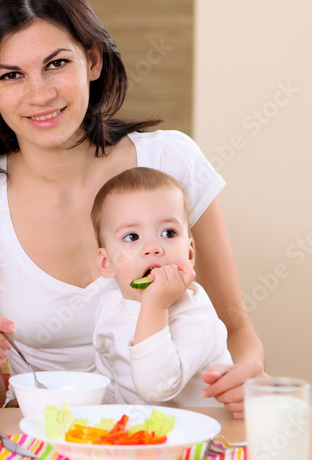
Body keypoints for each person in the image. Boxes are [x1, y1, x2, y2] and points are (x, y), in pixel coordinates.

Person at [0, 0, 264, 416]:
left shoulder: (170, 161)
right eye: (11, 75)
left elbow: (236, 327)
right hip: (48, 436)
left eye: (57, 64)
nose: (41, 94)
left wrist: (246, 376)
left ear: (92, 59)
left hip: (177, 429)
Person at [91, 167, 231, 406]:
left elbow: (157, 389)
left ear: (189, 253)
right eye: (132, 237)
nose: (153, 247)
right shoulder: (110, 307)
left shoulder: (197, 316)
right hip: (142, 435)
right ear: (107, 263)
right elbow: (110, 381)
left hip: (203, 435)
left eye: (168, 232)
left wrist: (155, 306)